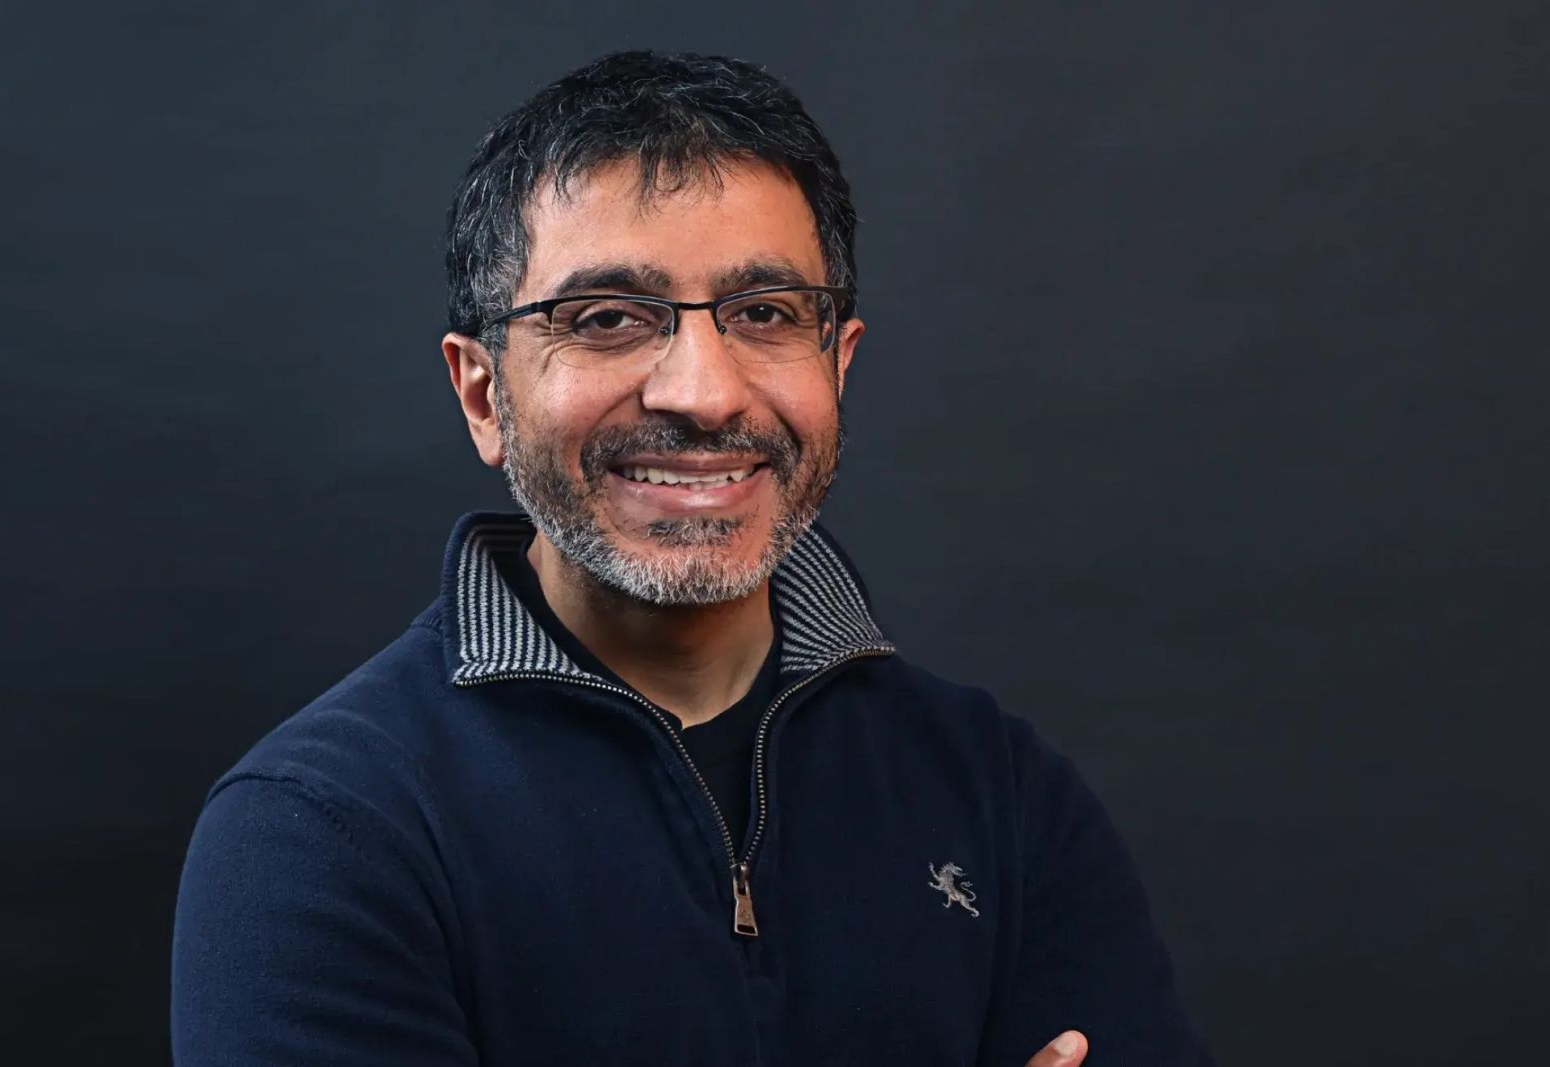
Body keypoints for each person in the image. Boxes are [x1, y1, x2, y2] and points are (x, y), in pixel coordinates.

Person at [170, 50, 1213, 1066]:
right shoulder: (320, 830)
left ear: (837, 364)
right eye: (607, 318)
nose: (703, 393)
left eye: (764, 314)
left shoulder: (1001, 793)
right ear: (484, 394)